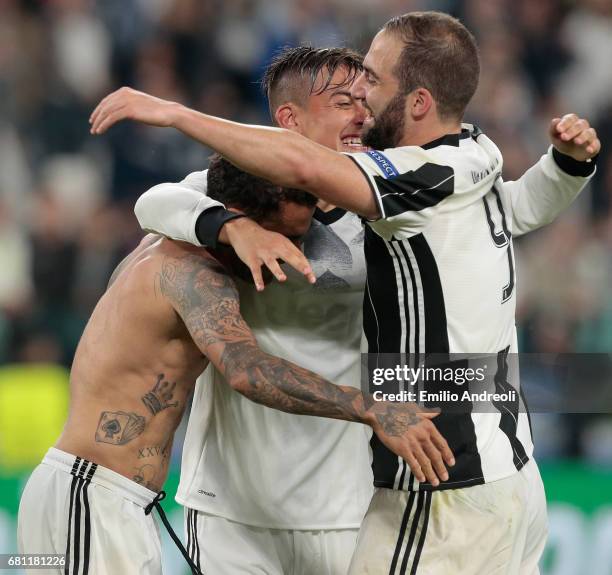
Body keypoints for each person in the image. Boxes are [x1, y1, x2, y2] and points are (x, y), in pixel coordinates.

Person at [90, 11, 601, 574]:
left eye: (368, 93)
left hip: (344, 497)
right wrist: (228, 226)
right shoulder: (242, 193)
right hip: (232, 502)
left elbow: (507, 208)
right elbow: (157, 202)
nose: (362, 111)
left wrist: (565, 168)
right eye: (344, 101)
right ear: (288, 121)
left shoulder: (392, 197)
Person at [17, 156, 452, 575]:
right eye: (287, 235)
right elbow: (245, 369)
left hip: (115, 498)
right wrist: (370, 407)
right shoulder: (191, 270)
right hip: (91, 496)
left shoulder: (171, 249)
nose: (294, 251)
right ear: (240, 220)